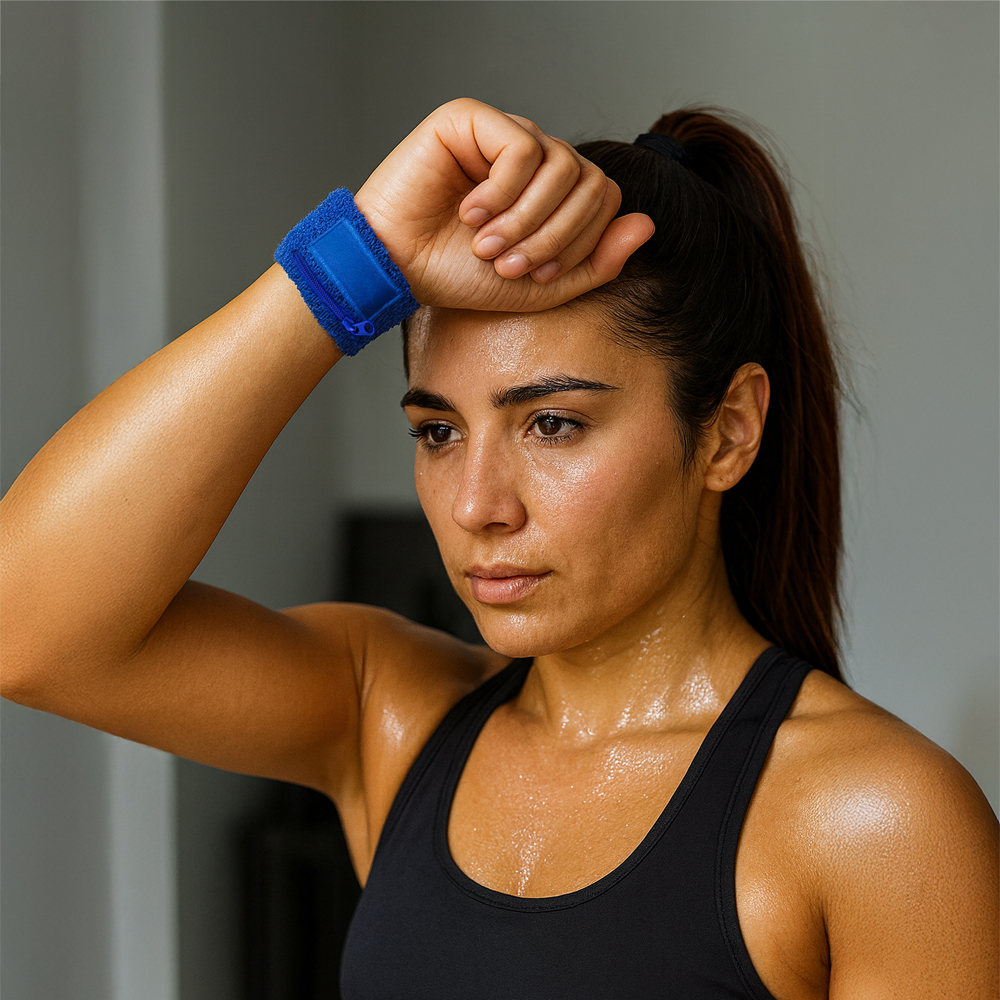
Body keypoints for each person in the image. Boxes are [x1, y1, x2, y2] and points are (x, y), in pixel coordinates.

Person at [1, 99, 996, 999]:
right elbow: (26, 625)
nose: (476, 504)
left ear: (728, 431)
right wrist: (352, 259)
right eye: (438, 431)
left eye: (552, 424)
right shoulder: (390, 717)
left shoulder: (876, 820)